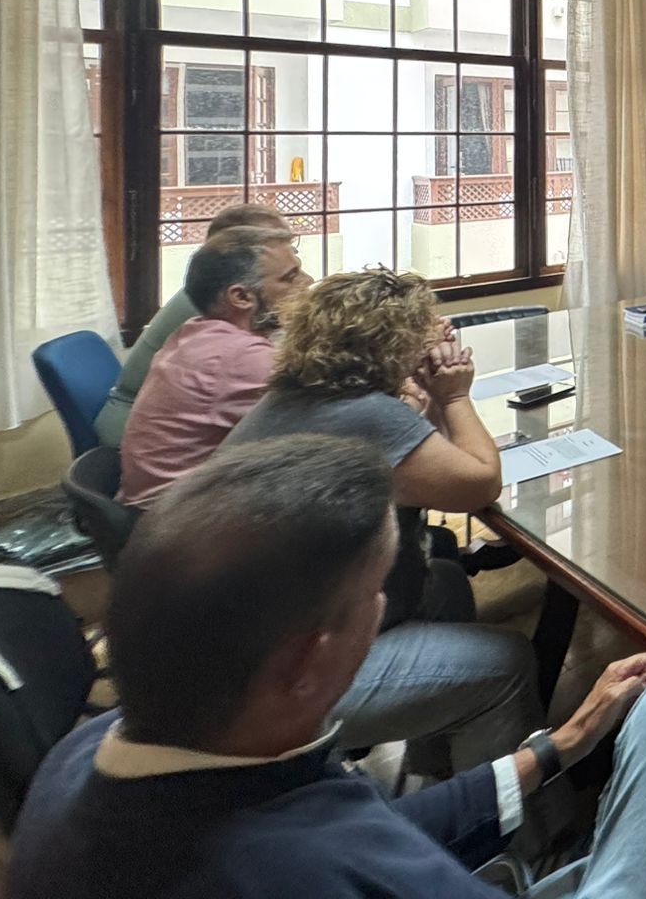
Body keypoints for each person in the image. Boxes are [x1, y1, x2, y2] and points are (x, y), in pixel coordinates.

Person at [8, 436, 646, 899]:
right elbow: (373, 843)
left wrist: (557, 745)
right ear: (307, 661)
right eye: (372, 596)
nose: (384, 609)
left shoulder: (80, 760)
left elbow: (387, 821)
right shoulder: (312, 870)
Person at [221, 268, 536, 781]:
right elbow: (478, 482)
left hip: (255, 641)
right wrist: (455, 397)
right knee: (509, 662)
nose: (441, 331)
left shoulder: (302, 397)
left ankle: (437, 772)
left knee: (448, 583)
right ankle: (523, 840)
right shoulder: (364, 416)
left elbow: (423, 462)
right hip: (276, 685)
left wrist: (425, 397)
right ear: (392, 345)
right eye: (424, 328)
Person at [118, 226, 311, 507]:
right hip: (186, 526)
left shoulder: (197, 332)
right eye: (290, 278)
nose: (308, 282)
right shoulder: (238, 357)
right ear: (242, 297)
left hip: (165, 510)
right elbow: (334, 416)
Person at [96, 202, 293, 446]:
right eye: (266, 242)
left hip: (156, 427)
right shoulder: (212, 313)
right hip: (132, 428)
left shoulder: (209, 304)